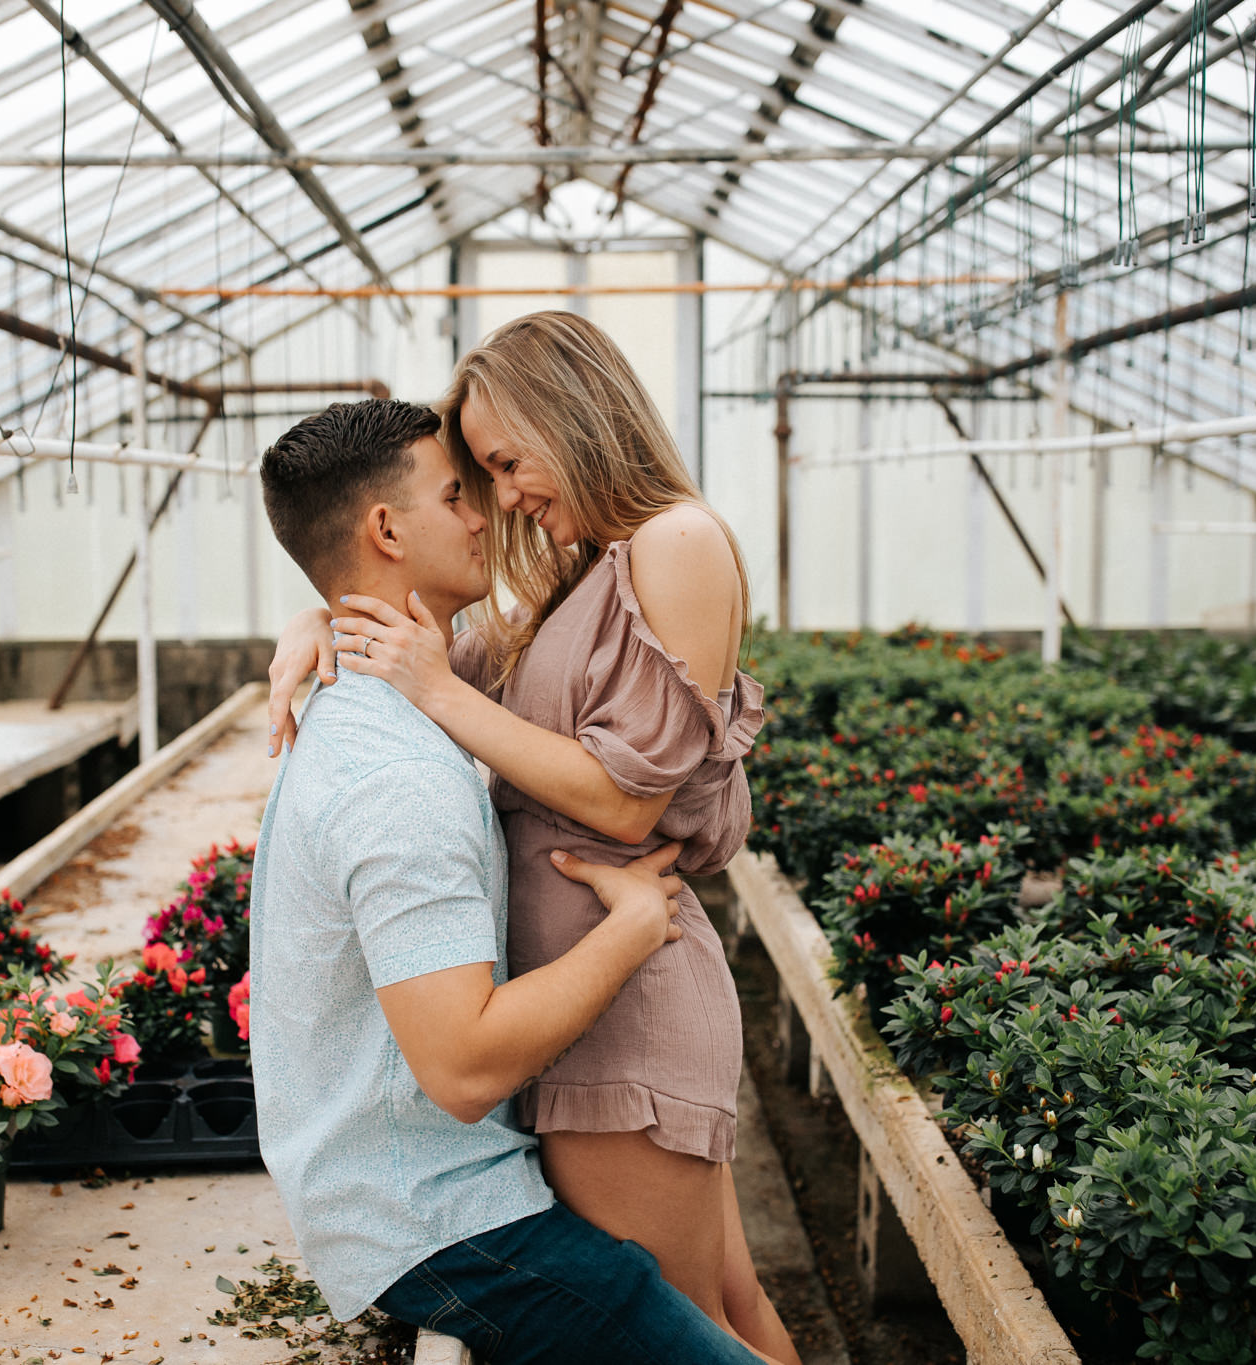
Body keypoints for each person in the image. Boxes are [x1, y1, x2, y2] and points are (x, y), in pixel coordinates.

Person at [265, 313, 796, 1363]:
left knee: (689, 1331)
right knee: (725, 1317)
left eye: (505, 464)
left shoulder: (675, 540)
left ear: (574, 418)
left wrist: (430, 687)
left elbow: (624, 802)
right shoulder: (586, 574)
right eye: (477, 479)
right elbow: (442, 647)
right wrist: (318, 622)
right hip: (593, 999)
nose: (502, 497)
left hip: (626, 1000)